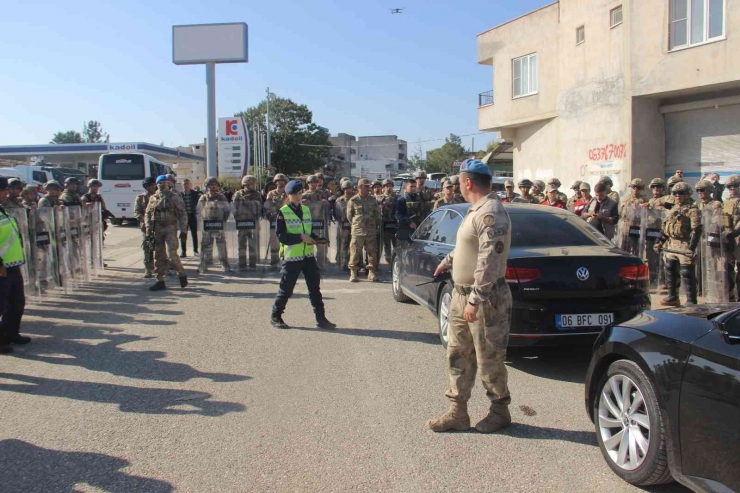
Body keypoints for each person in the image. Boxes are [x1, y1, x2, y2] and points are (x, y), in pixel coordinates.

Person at [428, 159, 513, 433]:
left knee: (488, 358)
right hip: (462, 295)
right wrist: (449, 260)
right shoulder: (475, 210)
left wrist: (476, 299)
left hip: (484, 298)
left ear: (467, 182)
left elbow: (489, 260)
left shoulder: (491, 213)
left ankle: (500, 411)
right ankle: (457, 412)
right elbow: (470, 245)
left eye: (459, 182)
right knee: (458, 355)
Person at [271, 180, 335, 330]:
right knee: (286, 288)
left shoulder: (306, 210)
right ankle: (276, 316)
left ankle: (321, 318)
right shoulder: (283, 212)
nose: (298, 197)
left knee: (315, 288)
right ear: (288, 195)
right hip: (292, 257)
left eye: (300, 193)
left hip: (307, 256)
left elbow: (308, 232)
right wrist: (300, 237)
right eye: (295, 194)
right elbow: (281, 236)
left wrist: (317, 239)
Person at [654, 182, 701, 306]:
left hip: (685, 243)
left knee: (686, 273)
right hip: (671, 244)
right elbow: (665, 229)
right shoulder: (673, 209)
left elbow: (697, 230)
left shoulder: (692, 209)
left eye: (681, 193)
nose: (678, 196)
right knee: (670, 268)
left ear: (687, 194)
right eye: (675, 193)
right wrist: (659, 243)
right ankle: (673, 296)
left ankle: (691, 300)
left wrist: (691, 247)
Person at [0, 177, 30, 354]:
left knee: (16, 302)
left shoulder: (2, 209)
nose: (6, 193)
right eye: (3, 190)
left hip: (12, 265)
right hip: (2, 268)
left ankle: (11, 333)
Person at [145, 175, 188, 291]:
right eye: (160, 183)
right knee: (158, 255)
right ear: (156, 184)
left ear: (168, 183)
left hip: (170, 227)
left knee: (172, 254)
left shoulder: (174, 197)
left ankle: (182, 274)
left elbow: (182, 213)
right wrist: (148, 228)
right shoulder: (153, 198)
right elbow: (148, 214)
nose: (162, 184)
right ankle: (160, 280)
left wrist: (184, 230)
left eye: (164, 182)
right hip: (157, 228)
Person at [347, 178, 381, 282]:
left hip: (371, 231)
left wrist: (374, 226)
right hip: (358, 230)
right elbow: (349, 216)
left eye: (368, 186)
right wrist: (357, 225)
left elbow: (377, 215)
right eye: (366, 186)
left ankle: (371, 273)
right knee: (355, 252)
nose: (368, 188)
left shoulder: (373, 200)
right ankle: (353, 273)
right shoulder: (353, 200)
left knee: (372, 253)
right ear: (359, 187)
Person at [196, 177, 231, 273]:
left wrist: (223, 220)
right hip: (207, 226)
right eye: (211, 185)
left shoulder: (222, 197)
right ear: (207, 187)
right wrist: (201, 222)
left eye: (215, 185)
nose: (213, 187)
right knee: (205, 245)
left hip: (219, 225)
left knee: (221, 245)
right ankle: (204, 264)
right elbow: (198, 211)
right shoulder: (203, 198)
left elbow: (227, 210)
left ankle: (224, 264)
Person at [232, 175, 263, 269]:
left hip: (252, 222)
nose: (254, 186)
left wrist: (257, 219)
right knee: (241, 243)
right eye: (252, 184)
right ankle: (242, 263)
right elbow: (234, 207)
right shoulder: (238, 194)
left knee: (252, 244)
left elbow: (260, 208)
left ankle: (253, 263)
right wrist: (237, 218)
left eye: (254, 184)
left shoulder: (257, 194)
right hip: (241, 223)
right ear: (246, 184)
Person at [302, 175, 328, 269]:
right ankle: (308, 265)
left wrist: (325, 203)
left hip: (319, 223)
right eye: (310, 182)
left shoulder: (322, 194)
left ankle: (320, 265)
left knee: (320, 245)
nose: (313, 184)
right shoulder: (304, 195)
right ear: (308, 184)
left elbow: (328, 207)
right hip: (308, 224)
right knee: (308, 245)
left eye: (315, 182)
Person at [721, 175, 740, 300]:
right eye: (729, 186)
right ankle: (730, 295)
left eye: (735, 186)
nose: (732, 188)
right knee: (727, 268)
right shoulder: (727, 201)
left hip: (737, 238)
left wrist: (734, 233)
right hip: (728, 238)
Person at [264, 174, 289, 267]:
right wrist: (270, 215)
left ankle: (286, 261)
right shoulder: (271, 194)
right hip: (274, 220)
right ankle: (274, 262)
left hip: (286, 221)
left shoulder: (288, 194)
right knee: (274, 242)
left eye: (282, 181)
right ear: (275, 182)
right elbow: (267, 207)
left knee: (286, 242)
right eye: (278, 181)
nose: (280, 183)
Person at [134, 177, 157, 278]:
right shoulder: (140, 198)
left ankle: (161, 266)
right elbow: (136, 212)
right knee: (147, 247)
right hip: (147, 227)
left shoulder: (158, 196)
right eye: (151, 185)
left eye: (154, 185)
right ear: (147, 187)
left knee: (160, 247)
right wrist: (143, 220)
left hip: (158, 225)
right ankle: (148, 268)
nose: (154, 187)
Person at [617, 179, 646, 255]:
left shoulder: (644, 200)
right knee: (622, 248)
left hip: (636, 226)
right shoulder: (625, 198)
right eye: (633, 187)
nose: (635, 190)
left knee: (635, 248)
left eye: (638, 188)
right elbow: (620, 212)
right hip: (625, 226)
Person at [333, 180, 354, 270]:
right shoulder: (339, 201)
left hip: (354, 226)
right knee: (343, 246)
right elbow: (336, 214)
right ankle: (343, 264)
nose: (347, 190)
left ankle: (354, 264)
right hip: (343, 226)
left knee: (354, 245)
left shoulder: (356, 199)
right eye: (345, 189)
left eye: (348, 188)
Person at [180, 178, 201, 257]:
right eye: (184, 184)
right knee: (183, 234)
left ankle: (195, 250)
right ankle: (183, 251)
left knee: (194, 234)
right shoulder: (180, 195)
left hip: (193, 216)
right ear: (182, 185)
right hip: (183, 217)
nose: (186, 185)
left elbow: (199, 204)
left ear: (190, 185)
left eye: (187, 184)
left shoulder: (195, 194)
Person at [380, 179, 398, 264]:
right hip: (384, 225)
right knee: (386, 245)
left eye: (390, 186)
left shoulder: (397, 198)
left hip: (395, 225)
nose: (388, 188)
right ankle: (388, 262)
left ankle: (396, 262)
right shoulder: (379, 198)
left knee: (396, 246)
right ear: (383, 188)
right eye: (386, 186)